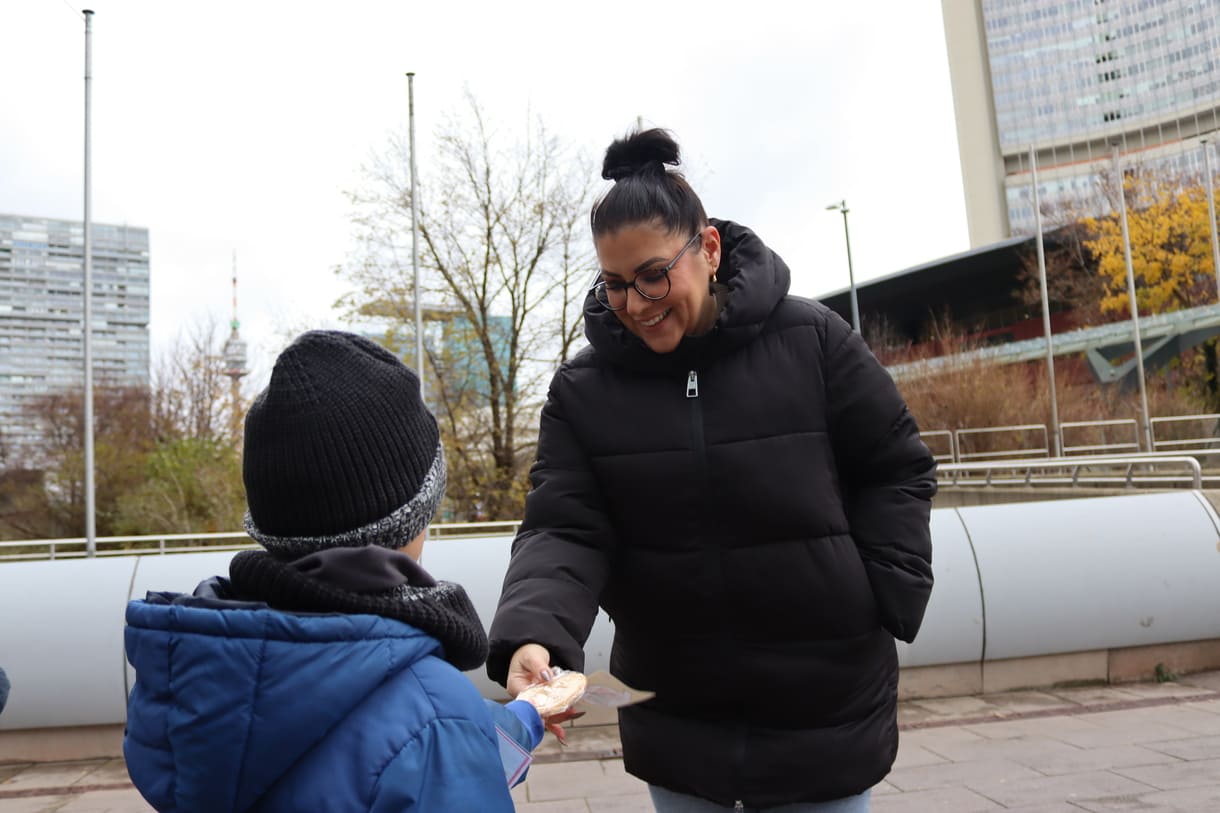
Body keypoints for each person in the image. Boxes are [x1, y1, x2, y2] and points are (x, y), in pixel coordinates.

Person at [487, 129, 937, 812]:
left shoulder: (813, 341)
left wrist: (880, 595)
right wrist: (533, 633)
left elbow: (896, 467)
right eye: (615, 284)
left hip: (823, 708)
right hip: (678, 717)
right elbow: (563, 528)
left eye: (653, 275)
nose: (636, 303)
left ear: (710, 249)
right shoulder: (584, 392)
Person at [124, 330, 549, 813]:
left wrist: (526, 716)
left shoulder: (200, 685)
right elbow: (427, 746)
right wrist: (458, 727)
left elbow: (363, 753)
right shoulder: (433, 714)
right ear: (415, 513)